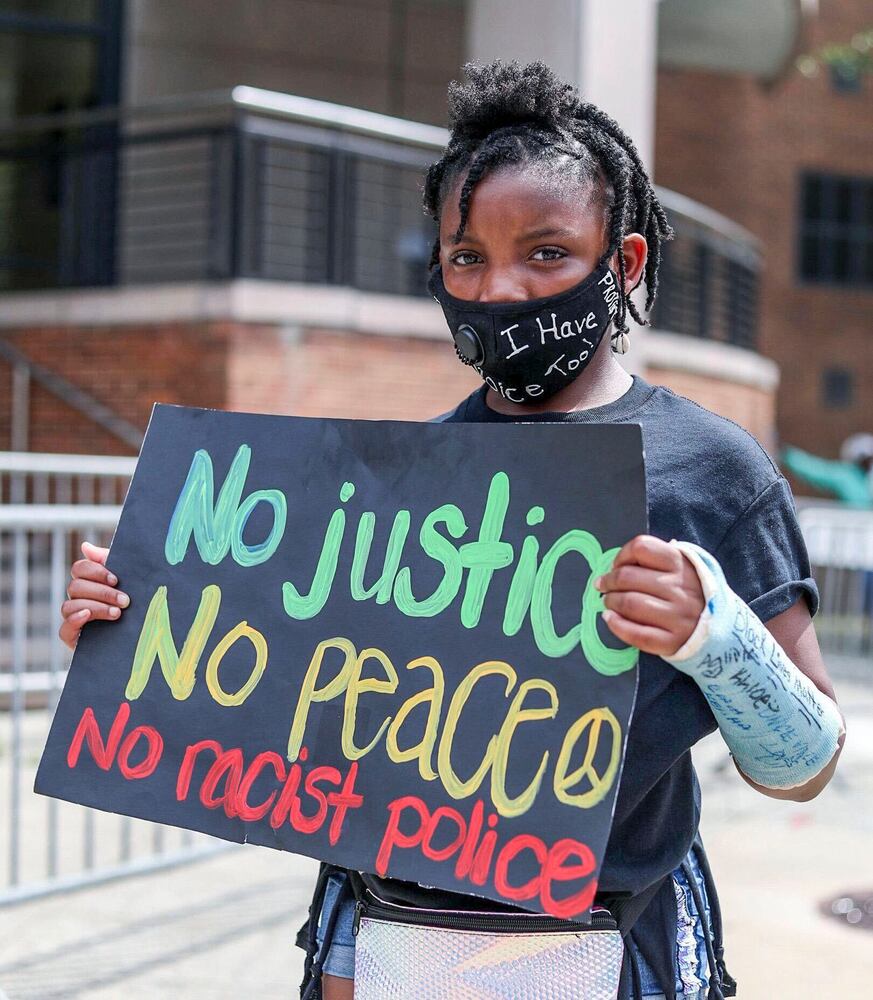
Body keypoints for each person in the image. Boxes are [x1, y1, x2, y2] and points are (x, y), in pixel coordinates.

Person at [59, 61, 846, 1000]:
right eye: (467, 257)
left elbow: (805, 769)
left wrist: (714, 633)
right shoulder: (398, 483)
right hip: (387, 938)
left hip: (608, 945)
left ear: (623, 265)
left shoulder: (712, 471)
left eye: (546, 253)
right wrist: (129, 634)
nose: (501, 289)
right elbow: (288, 708)